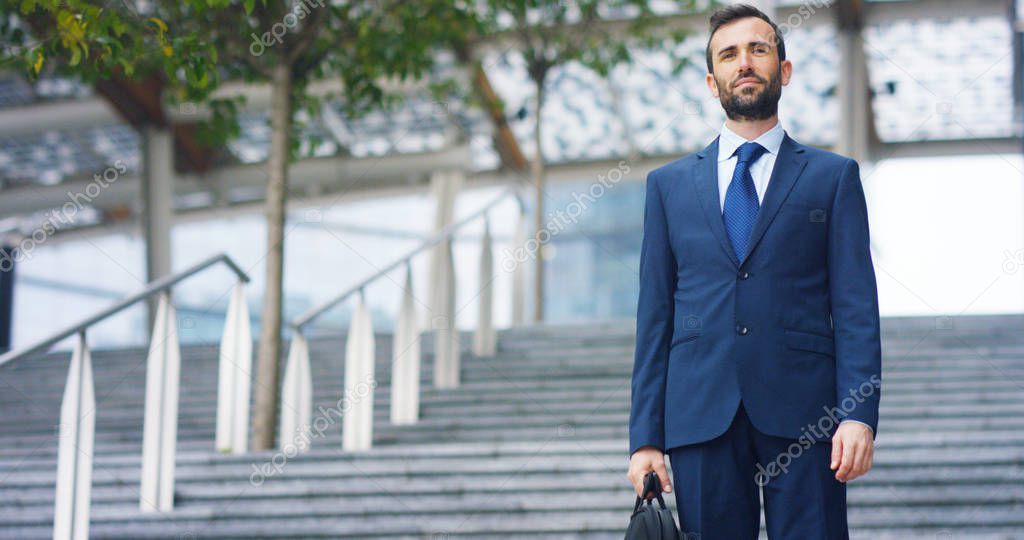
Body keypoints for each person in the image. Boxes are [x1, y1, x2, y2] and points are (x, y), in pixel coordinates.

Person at [626, 4, 881, 539]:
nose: (744, 63)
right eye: (729, 54)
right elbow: (655, 318)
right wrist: (645, 438)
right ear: (711, 79)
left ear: (783, 71)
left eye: (758, 50)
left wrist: (858, 413)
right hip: (699, 416)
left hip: (807, 415)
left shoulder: (832, 178)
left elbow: (856, 306)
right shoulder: (667, 188)